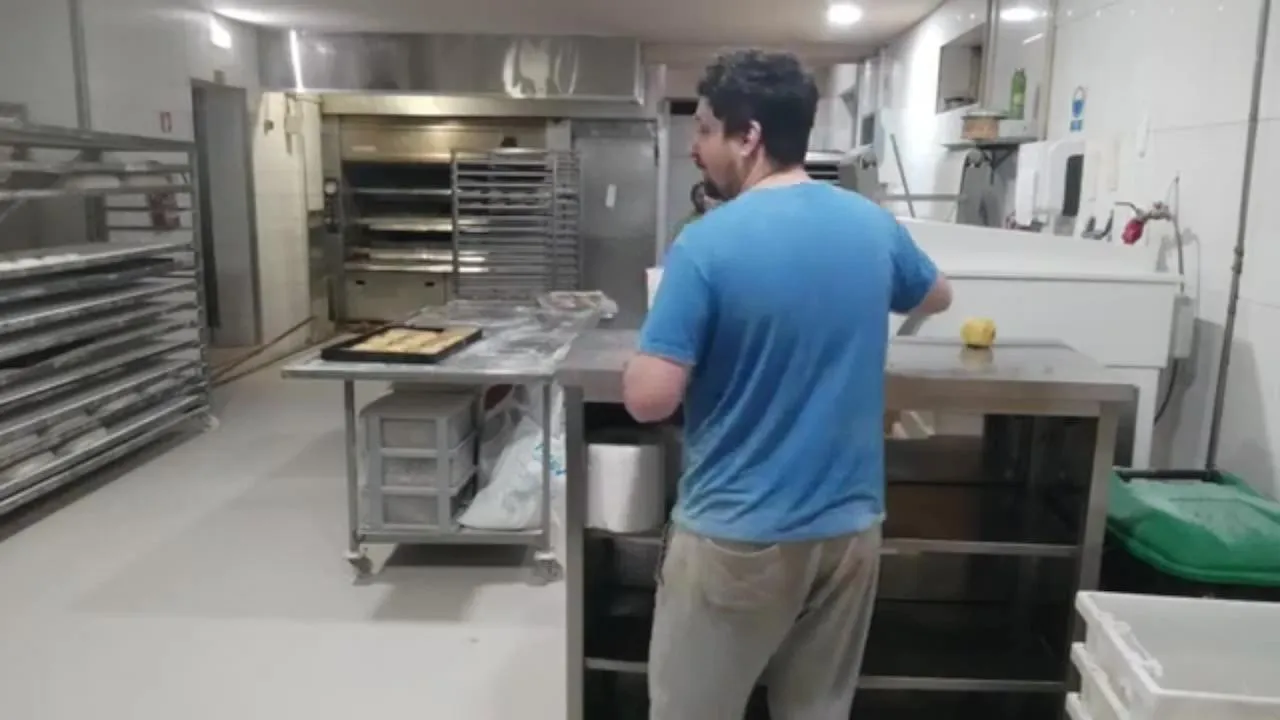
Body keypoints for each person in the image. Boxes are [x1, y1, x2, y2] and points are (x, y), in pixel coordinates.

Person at [622, 50, 952, 720]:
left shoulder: (706, 244)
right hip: (849, 529)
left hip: (739, 535)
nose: (695, 148)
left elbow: (648, 399)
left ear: (749, 137)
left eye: (705, 130)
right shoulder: (870, 222)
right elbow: (937, 295)